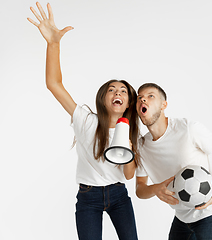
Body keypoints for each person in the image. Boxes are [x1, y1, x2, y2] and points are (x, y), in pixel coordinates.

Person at [28, 3, 138, 240]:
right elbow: (54, 85)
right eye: (112, 89)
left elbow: (129, 175)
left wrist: (128, 146)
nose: (117, 93)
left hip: (119, 195)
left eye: (123, 91)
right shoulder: (85, 120)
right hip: (88, 197)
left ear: (128, 103)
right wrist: (53, 44)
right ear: (103, 97)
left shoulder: (132, 132)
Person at [135, 83, 212, 240]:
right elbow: (140, 189)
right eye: (139, 98)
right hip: (181, 218)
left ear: (163, 105)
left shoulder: (188, 129)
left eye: (150, 96)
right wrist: (156, 189)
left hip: (209, 215)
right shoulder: (141, 147)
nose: (143, 100)